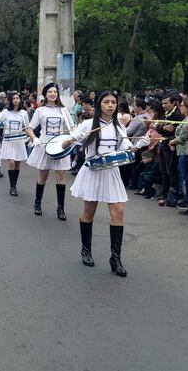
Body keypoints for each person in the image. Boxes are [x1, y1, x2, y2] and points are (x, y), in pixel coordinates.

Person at [61, 89, 131, 277]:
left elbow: (125, 149)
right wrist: (71, 139)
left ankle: (115, 258)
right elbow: (66, 143)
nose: (110, 105)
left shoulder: (119, 126)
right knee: (88, 212)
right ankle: (86, 250)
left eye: (113, 102)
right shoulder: (87, 124)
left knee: (118, 211)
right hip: (93, 171)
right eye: (106, 102)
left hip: (111, 171)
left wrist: (135, 146)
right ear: (99, 104)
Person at [26, 82, 75, 220]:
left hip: (60, 146)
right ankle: (38, 203)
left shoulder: (63, 110)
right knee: (43, 175)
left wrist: (73, 137)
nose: (53, 94)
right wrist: (34, 138)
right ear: (45, 94)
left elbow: (71, 128)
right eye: (50, 92)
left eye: (55, 92)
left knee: (61, 176)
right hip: (44, 145)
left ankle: (60, 208)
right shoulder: (40, 111)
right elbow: (30, 128)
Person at [168, 97, 188, 206]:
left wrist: (171, 142)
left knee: (186, 177)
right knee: (184, 176)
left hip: (186, 152)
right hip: (182, 151)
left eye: (182, 106)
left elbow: (182, 137)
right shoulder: (186, 119)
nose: (180, 107)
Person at [0, 92, 30, 196]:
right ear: (10, 100)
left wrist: (31, 138)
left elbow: (27, 127)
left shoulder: (23, 113)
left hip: (19, 141)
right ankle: (12, 186)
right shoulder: (5, 112)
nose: (16, 100)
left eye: (17, 98)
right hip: (8, 140)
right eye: (14, 98)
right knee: (11, 162)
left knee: (17, 164)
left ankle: (15, 184)